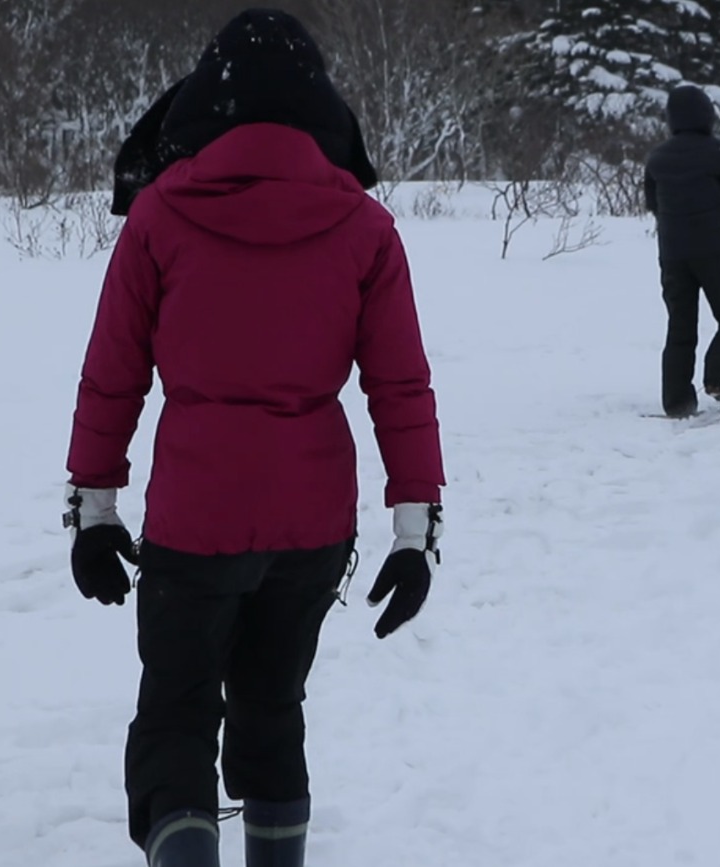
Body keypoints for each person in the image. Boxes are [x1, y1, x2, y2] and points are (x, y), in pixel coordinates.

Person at [62, 9, 445, 866]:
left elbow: (111, 373)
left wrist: (92, 508)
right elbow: (401, 386)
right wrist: (417, 532)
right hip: (312, 526)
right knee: (273, 708)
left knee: (177, 712)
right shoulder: (365, 228)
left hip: (196, 520)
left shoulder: (160, 214)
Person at [643, 84, 720, 418]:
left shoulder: (657, 157)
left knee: (680, 326)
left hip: (672, 252)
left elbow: (653, 203)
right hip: (715, 249)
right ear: (707, 115)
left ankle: (677, 401)